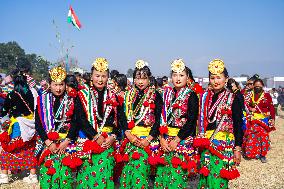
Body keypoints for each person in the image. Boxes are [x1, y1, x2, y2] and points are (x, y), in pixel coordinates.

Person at [74, 58, 125, 188]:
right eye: (97, 76)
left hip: (107, 142)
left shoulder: (113, 96)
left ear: (108, 77)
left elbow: (119, 120)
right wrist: (95, 136)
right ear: (91, 76)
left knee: (104, 175)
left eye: (103, 76)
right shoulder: (82, 94)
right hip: (88, 139)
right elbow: (80, 119)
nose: (100, 79)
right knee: (87, 176)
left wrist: (113, 137)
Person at [195, 59, 244, 189]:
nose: (216, 81)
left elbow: (239, 125)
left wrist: (238, 148)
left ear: (226, 79)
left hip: (223, 146)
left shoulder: (233, 98)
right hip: (206, 144)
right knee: (205, 181)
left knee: (218, 182)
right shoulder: (204, 97)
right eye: (212, 78)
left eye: (219, 77)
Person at [154, 59, 199, 188]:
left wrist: (177, 140)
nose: (178, 78)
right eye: (174, 75)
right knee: (162, 177)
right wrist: (161, 139)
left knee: (176, 177)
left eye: (181, 75)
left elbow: (191, 121)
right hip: (165, 140)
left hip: (181, 140)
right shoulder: (165, 94)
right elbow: (159, 117)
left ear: (187, 77)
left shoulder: (192, 96)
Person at [120, 60, 163, 189]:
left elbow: (159, 119)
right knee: (127, 175)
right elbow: (122, 117)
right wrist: (128, 134)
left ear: (149, 79)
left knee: (140, 174)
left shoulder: (155, 95)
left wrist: (149, 139)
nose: (140, 82)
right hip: (131, 140)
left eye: (144, 78)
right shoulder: (128, 95)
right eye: (137, 78)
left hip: (148, 141)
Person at [35, 67, 78, 189]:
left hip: (66, 144)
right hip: (48, 143)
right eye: (55, 85)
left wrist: (67, 141)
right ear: (50, 84)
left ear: (65, 84)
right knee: (48, 175)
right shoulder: (42, 99)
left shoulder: (72, 99)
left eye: (61, 84)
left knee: (65, 176)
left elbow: (75, 122)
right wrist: (48, 142)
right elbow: (38, 123)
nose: (58, 88)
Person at [0, 69, 38, 184]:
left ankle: (4, 175)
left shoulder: (12, 95)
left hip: (18, 125)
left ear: (15, 83)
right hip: (31, 125)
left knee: (9, 149)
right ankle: (33, 175)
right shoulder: (32, 94)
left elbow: (4, 110)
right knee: (29, 149)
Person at [243, 78, 275, 163]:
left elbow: (271, 108)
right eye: (256, 86)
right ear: (253, 86)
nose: (257, 87)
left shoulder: (267, 95)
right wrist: (250, 108)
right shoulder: (249, 94)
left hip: (263, 119)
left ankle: (263, 155)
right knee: (252, 135)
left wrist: (272, 118)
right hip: (252, 119)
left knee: (263, 136)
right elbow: (245, 105)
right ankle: (253, 153)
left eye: (259, 86)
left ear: (262, 86)